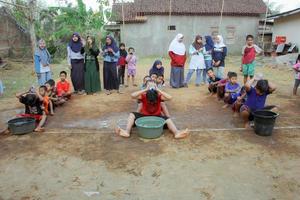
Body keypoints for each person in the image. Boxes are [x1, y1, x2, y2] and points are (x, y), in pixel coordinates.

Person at [115, 82, 189, 139]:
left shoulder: (159, 96)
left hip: (157, 117)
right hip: (144, 117)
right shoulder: (144, 96)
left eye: (153, 101)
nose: (151, 102)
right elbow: (132, 95)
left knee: (168, 119)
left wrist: (158, 89)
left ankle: (176, 133)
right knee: (132, 114)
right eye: (150, 101)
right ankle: (127, 132)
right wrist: (146, 89)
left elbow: (170, 97)